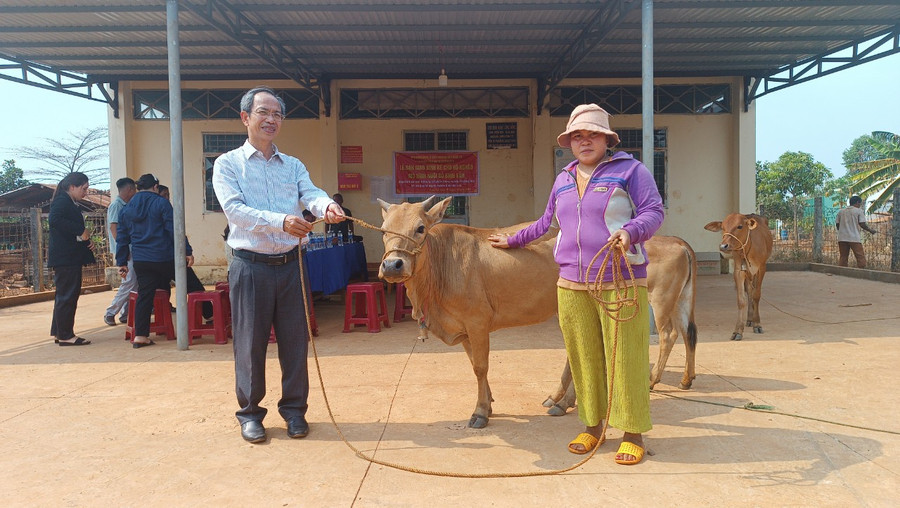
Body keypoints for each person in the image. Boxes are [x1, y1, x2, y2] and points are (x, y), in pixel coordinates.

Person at [488, 104, 664, 465]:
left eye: (593, 134)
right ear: (569, 142)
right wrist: (514, 240)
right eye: (578, 136)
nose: (585, 141)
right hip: (571, 283)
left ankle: (632, 432)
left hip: (621, 280)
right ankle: (593, 425)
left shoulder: (631, 171)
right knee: (584, 358)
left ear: (607, 139)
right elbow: (547, 222)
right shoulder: (564, 178)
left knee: (626, 359)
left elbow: (654, 211)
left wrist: (630, 232)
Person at [212, 86, 344, 443]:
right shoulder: (227, 165)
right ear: (245, 118)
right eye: (263, 112)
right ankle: (250, 413)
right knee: (249, 343)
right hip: (249, 265)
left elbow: (311, 194)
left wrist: (326, 206)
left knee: (295, 342)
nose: (271, 120)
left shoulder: (294, 165)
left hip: (291, 265)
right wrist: (281, 221)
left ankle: (294, 411)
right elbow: (235, 210)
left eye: (277, 114)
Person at [116, 173, 198, 348]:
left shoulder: (127, 208)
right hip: (165, 257)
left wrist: (121, 263)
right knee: (193, 286)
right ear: (155, 187)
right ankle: (208, 319)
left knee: (145, 295)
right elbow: (174, 229)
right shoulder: (161, 203)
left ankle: (140, 336)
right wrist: (187, 251)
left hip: (141, 261)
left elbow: (122, 238)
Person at [49, 171, 96, 346]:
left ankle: (59, 331)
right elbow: (54, 221)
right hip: (66, 258)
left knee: (64, 295)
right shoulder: (62, 201)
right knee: (67, 296)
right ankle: (66, 335)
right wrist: (80, 231)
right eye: (83, 188)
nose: (86, 192)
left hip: (68, 256)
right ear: (72, 187)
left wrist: (86, 241)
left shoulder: (68, 201)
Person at [104, 177, 138, 326]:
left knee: (134, 283)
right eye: (134, 190)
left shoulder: (125, 205)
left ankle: (125, 314)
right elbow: (114, 228)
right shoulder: (117, 206)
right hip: (126, 250)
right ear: (130, 189)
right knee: (129, 282)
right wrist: (123, 250)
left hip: (129, 249)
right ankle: (110, 312)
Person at [836, 195, 876, 268]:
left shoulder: (841, 211)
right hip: (854, 237)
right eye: (860, 204)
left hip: (842, 237)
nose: (860, 205)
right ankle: (861, 272)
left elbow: (837, 225)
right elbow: (862, 224)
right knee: (860, 256)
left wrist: (842, 231)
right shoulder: (858, 211)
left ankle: (842, 272)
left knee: (843, 257)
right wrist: (870, 230)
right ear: (857, 202)